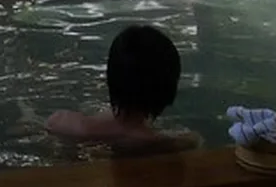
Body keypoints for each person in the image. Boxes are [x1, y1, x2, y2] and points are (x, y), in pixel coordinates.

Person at [44, 23, 201, 155]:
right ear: (168, 89)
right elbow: (193, 141)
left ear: (111, 77)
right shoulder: (165, 143)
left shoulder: (64, 123)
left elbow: (50, 124)